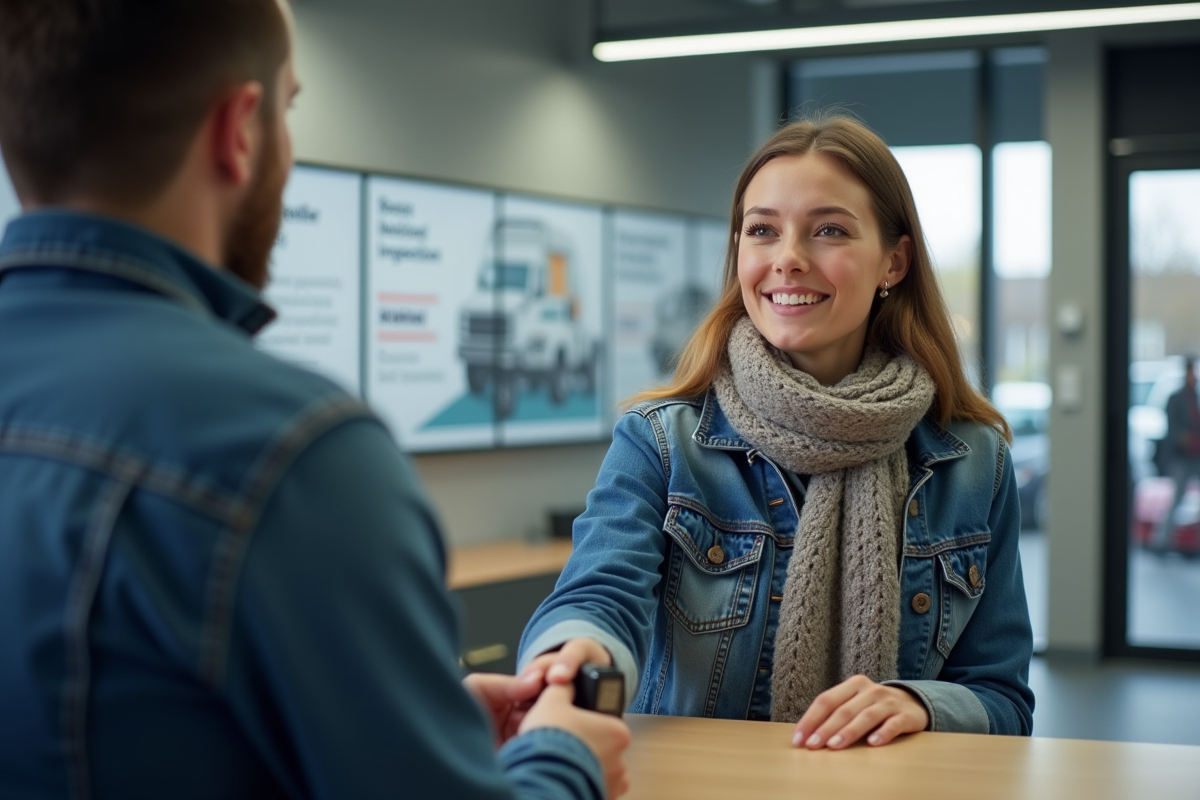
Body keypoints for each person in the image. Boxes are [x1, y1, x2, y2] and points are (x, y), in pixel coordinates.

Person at [0, 2, 628, 798]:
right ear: (240, 129)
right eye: (290, 108)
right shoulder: (290, 451)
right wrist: (561, 762)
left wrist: (418, 728)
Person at [518, 115, 1034, 750]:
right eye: (762, 230)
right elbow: (600, 595)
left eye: (829, 231)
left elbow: (1003, 699)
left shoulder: (975, 460)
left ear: (893, 262)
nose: (788, 259)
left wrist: (919, 704)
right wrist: (573, 657)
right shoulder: (661, 441)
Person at [1152, 356, 1200, 553]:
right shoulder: (1176, 398)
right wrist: (1187, 438)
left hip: (1196, 456)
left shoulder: (1195, 398)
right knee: (1177, 498)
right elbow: (1173, 431)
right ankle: (1161, 541)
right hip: (1181, 457)